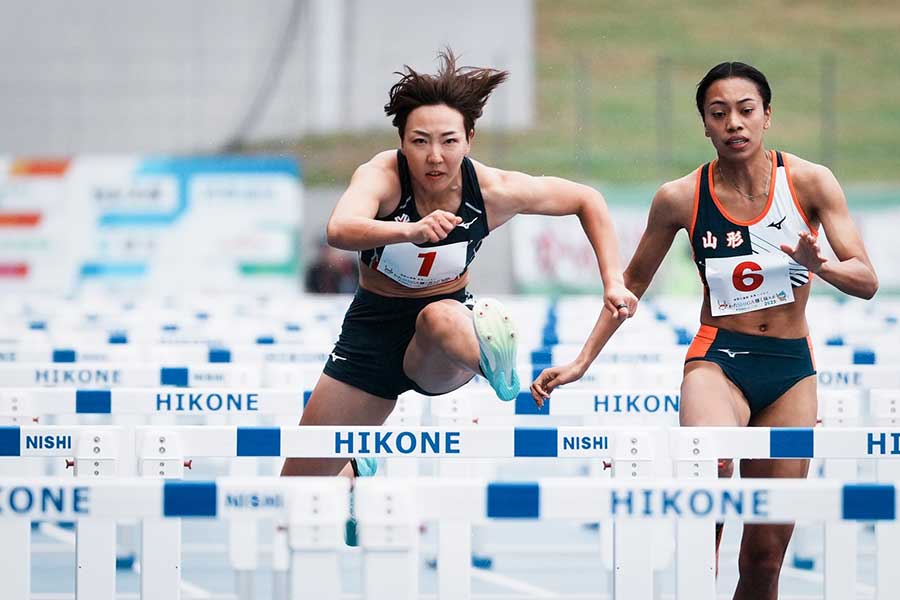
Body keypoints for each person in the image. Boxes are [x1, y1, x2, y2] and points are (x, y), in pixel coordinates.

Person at [531, 61, 878, 599]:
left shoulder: (810, 182)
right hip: (719, 358)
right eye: (719, 114)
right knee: (708, 481)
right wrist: (581, 362)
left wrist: (823, 264)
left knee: (764, 561)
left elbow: (868, 280)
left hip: (790, 367)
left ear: (767, 116)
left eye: (745, 111)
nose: (734, 123)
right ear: (706, 125)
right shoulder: (680, 197)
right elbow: (630, 286)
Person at [281, 49, 637, 478]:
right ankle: (355, 471)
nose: (435, 157)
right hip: (371, 329)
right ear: (402, 143)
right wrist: (408, 230)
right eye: (420, 141)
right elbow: (339, 228)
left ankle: (493, 361)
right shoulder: (382, 176)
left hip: (444, 335)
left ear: (469, 139)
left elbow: (586, 200)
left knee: (439, 317)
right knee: (298, 484)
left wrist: (612, 281)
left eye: (449, 141)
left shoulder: (491, 191)